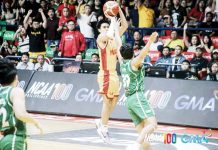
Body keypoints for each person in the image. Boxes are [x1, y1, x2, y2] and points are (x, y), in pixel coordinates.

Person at [116, 30, 158, 150]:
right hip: (137, 96)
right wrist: (150, 41)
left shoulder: (121, 62)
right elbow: (143, 54)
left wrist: (114, 25)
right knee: (153, 125)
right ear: (133, 52)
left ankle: (141, 146)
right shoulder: (134, 62)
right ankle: (135, 146)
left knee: (144, 135)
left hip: (129, 100)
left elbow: (119, 45)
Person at [94, 7, 128, 144]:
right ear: (99, 29)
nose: (106, 27)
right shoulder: (101, 38)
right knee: (107, 102)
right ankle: (103, 128)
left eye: (107, 26)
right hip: (105, 73)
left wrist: (118, 10)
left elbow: (125, 25)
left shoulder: (113, 38)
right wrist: (113, 22)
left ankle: (100, 121)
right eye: (104, 26)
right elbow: (107, 35)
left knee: (113, 102)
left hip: (114, 74)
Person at [0, 58, 43, 150]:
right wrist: (36, 123)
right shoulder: (16, 91)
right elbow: (20, 114)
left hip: (3, 140)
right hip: (15, 139)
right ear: (16, 77)